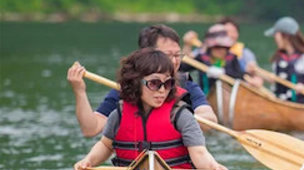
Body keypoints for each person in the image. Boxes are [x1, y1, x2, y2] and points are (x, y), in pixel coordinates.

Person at [72, 48, 228, 170]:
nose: (161, 90)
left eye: (167, 83)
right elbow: (106, 145)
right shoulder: (119, 114)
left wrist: (213, 167)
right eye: (154, 83)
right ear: (135, 82)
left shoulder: (180, 115)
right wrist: (89, 161)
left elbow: (199, 153)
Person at [66, 25, 217, 137]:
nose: (174, 61)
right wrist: (79, 91)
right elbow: (90, 129)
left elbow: (209, 119)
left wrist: (174, 120)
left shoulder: (186, 85)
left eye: (178, 55)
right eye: (167, 55)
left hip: (181, 168)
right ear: (148, 55)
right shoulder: (127, 89)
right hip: (137, 169)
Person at [250, 16, 304, 104]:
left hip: (301, 105)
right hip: (280, 103)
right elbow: (276, 79)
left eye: (276, 35)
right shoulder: (278, 58)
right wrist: (256, 71)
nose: (274, 38)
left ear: (286, 36)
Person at [180, 24, 245, 93]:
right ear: (210, 48)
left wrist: (225, 72)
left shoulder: (232, 58)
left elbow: (240, 77)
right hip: (205, 97)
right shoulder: (202, 58)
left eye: (224, 47)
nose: (220, 50)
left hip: (227, 96)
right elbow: (182, 67)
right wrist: (187, 45)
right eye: (217, 47)